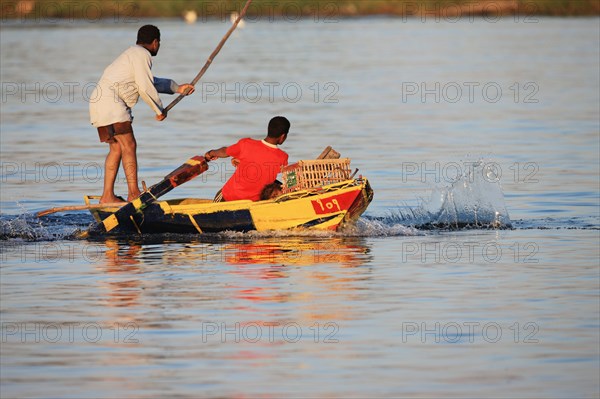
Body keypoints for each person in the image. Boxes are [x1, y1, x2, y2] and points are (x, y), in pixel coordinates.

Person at [89, 25, 195, 204]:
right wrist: (158, 110)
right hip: (111, 103)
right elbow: (145, 86)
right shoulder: (141, 55)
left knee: (116, 148)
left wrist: (177, 88)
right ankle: (133, 193)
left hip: (98, 104)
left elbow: (150, 82)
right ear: (155, 42)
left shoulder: (133, 54)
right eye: (159, 43)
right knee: (129, 145)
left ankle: (107, 196)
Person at [204, 116, 290, 202]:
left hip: (229, 196)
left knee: (220, 196)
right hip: (252, 202)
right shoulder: (282, 157)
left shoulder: (246, 144)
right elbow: (265, 172)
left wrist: (210, 153)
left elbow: (224, 151)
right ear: (283, 136)